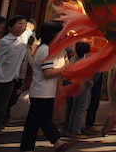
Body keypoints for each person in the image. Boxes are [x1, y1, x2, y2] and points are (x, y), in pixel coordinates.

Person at [19, 20, 72, 152]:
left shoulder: (48, 49)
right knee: (42, 120)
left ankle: (31, 146)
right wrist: (65, 67)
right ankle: (56, 142)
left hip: (44, 92)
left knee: (37, 121)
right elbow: (48, 73)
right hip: (41, 92)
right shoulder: (45, 50)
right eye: (60, 33)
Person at [0, 15, 29, 151]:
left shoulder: (23, 40)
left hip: (10, 81)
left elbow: (29, 29)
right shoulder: (5, 41)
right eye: (19, 24)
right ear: (10, 27)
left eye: (24, 24)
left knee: (0, 111)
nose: (22, 27)